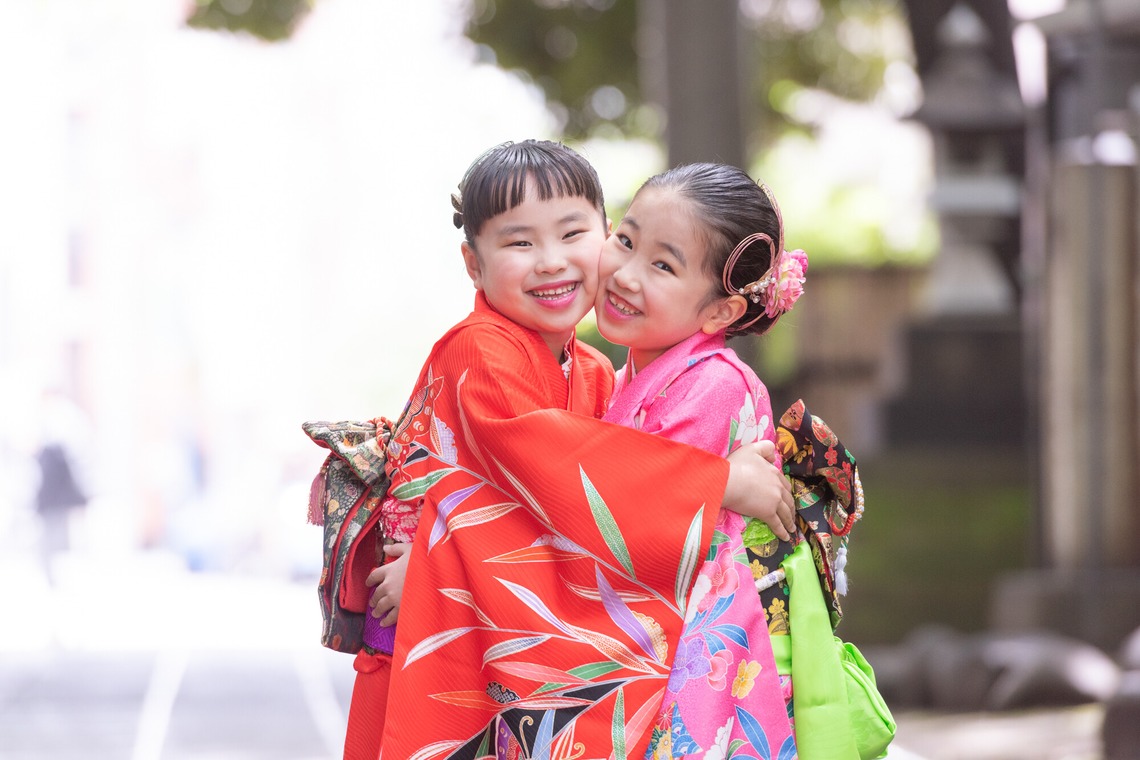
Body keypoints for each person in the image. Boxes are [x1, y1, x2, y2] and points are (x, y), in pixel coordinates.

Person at [336, 140, 796, 760]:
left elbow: (576, 522)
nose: (551, 262)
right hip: (437, 635)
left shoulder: (600, 373)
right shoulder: (479, 352)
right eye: (519, 243)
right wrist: (715, 482)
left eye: (574, 234)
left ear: (600, 231)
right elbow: (556, 472)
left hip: (488, 637)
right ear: (473, 264)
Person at [594, 162, 806, 758]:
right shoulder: (617, 378)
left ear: (720, 314)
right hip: (648, 649)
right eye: (626, 241)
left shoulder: (713, 386)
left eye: (662, 265)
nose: (626, 274)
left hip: (694, 667)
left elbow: (622, 518)